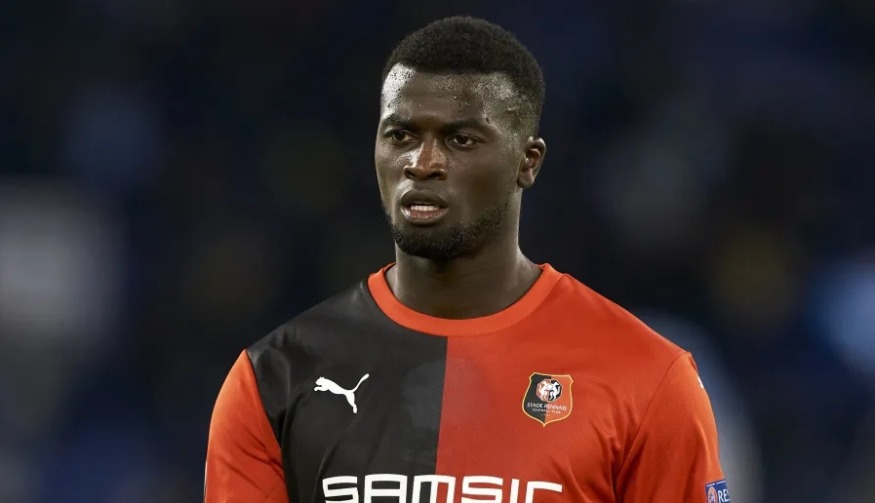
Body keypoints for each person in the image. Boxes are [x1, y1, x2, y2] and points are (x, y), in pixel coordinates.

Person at [205, 16, 728, 503]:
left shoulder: (646, 376)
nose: (422, 163)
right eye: (401, 135)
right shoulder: (274, 379)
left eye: (460, 139)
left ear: (528, 162)